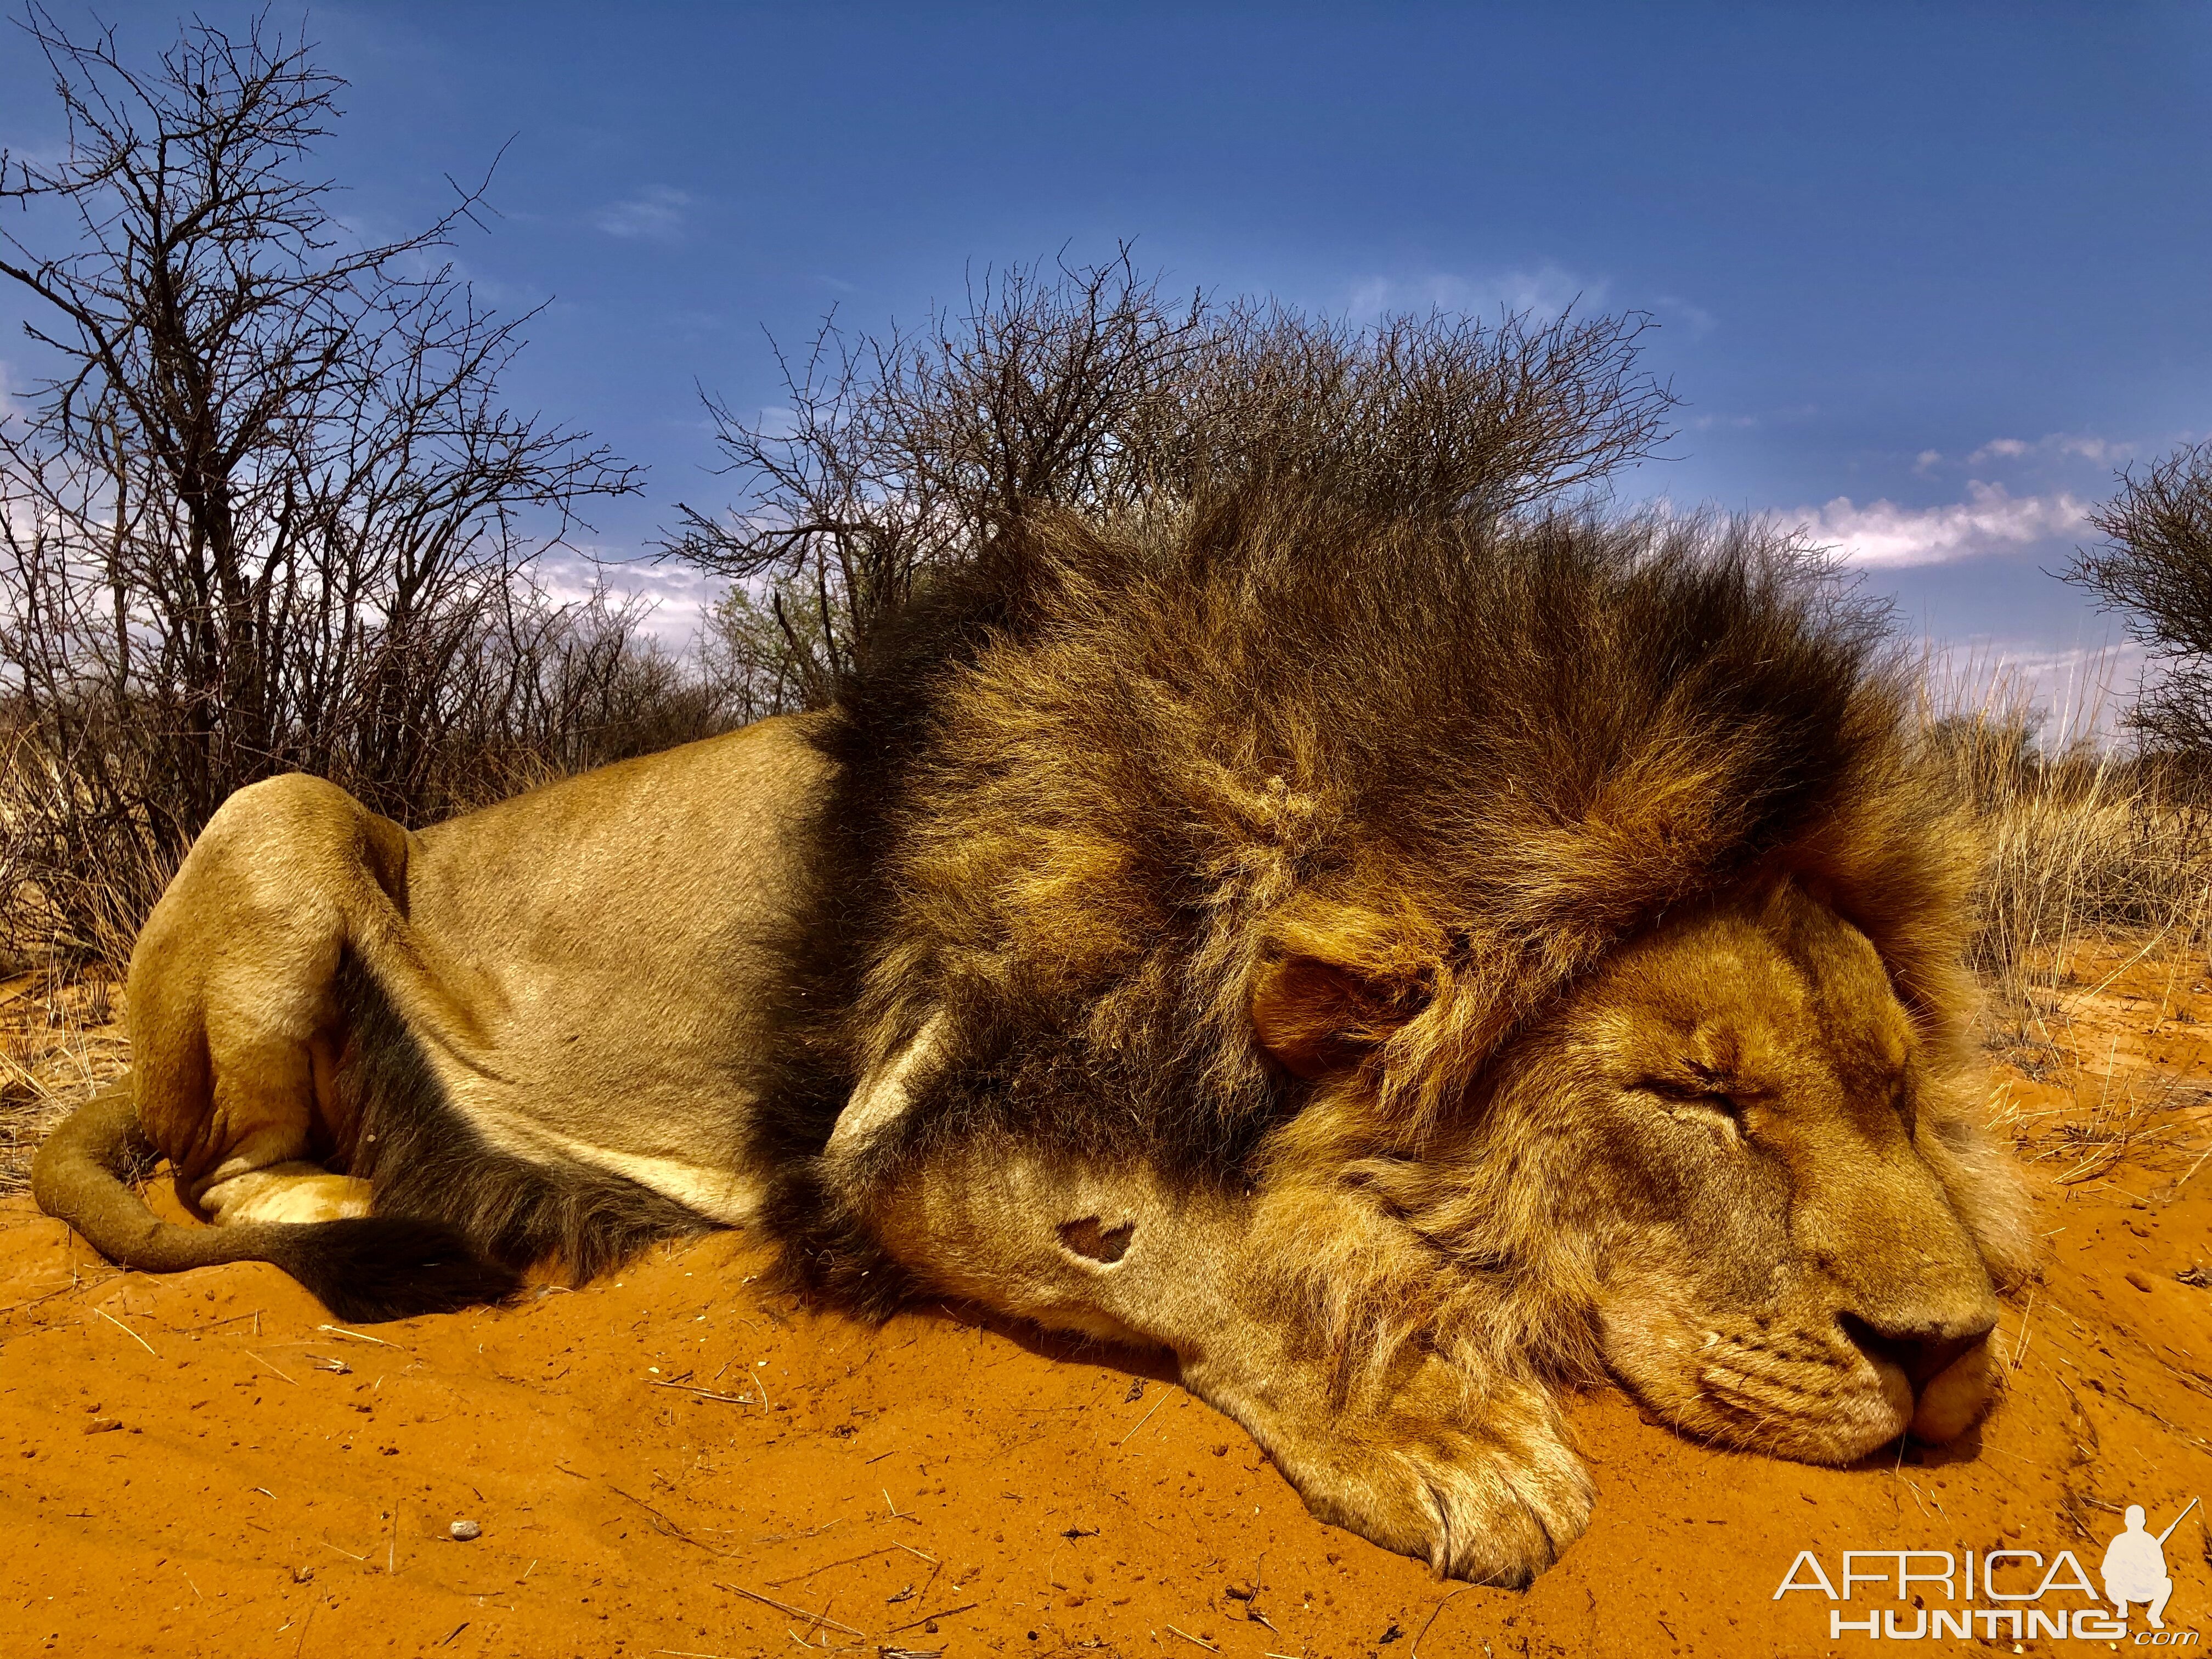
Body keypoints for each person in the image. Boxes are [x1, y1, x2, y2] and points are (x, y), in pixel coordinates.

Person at [2102, 1505, 2173, 1629]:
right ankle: (2152, 1615)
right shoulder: (2150, 1541)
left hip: (2125, 1590)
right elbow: (2162, 1571)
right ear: (2144, 1522)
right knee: (2167, 1583)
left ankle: (2124, 1606)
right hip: (2140, 1589)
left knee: (2111, 1581)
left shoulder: (2119, 1540)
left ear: (2126, 1522)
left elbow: (2106, 1570)